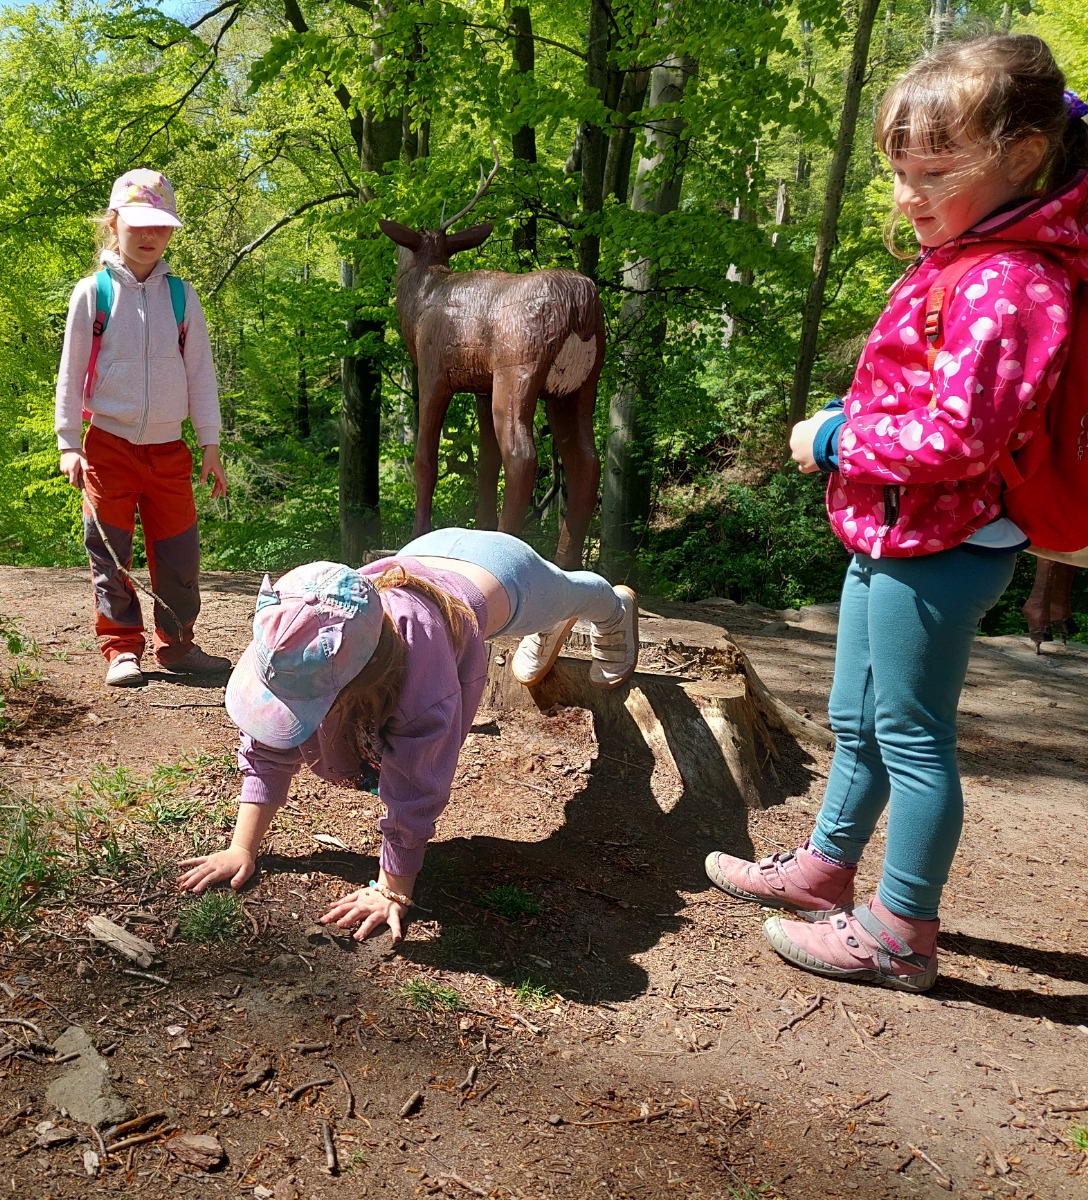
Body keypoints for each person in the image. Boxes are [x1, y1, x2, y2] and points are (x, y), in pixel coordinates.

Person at [706, 35, 1087, 991]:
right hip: (896, 531)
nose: (908, 196)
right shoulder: (966, 252)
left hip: (945, 545)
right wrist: (854, 418)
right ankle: (825, 869)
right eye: (899, 172)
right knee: (857, 719)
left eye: (935, 173)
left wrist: (837, 438)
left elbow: (962, 437)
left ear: (1023, 157)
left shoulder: (1012, 278)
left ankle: (901, 930)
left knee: (912, 737)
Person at [175, 529, 639, 941]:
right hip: (422, 554)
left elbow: (417, 787)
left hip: (509, 576)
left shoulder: (424, 686)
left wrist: (392, 890)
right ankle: (552, 626)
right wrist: (241, 847)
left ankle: (614, 611)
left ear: (362, 683)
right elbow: (268, 745)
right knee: (554, 608)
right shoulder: (300, 632)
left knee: (578, 592)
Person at [55, 169, 231, 688]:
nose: (150, 235)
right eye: (138, 224)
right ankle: (121, 648)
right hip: (107, 447)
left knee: (180, 555)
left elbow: (200, 374)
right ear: (114, 223)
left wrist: (210, 442)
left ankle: (177, 644)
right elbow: (70, 373)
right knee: (110, 551)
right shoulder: (93, 293)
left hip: (169, 450)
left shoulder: (182, 297)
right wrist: (68, 443)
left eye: (161, 226)